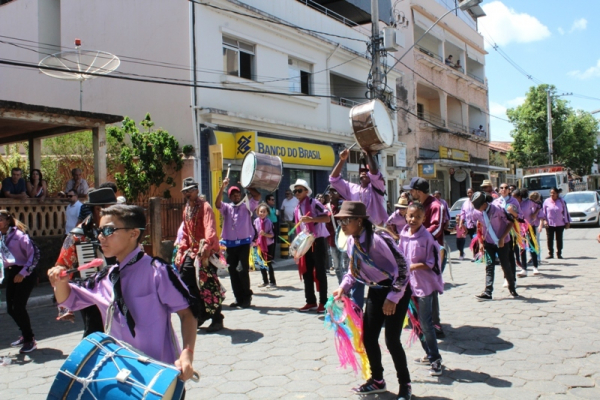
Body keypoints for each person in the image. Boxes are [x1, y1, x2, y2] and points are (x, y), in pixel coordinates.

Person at [48, 205, 197, 381]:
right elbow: (67, 300)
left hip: (160, 376)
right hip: (120, 376)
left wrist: (187, 354)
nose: (101, 237)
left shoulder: (158, 272)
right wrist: (59, 282)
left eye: (109, 230)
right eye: (100, 231)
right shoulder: (105, 277)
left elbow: (188, 314)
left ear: (133, 234)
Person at [332, 201, 412, 400]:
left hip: (397, 290)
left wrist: (393, 298)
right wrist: (343, 287)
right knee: (368, 337)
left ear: (359, 221)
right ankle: (377, 380)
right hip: (377, 290)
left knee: (392, 341)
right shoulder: (352, 240)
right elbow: (353, 270)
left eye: (346, 220)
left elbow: (403, 268)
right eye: (340, 220)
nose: (342, 224)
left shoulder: (378, 239)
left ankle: (405, 384)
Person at [54, 187, 117, 334]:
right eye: (110, 209)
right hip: (91, 293)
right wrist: (65, 305)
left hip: (117, 289)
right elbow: (62, 266)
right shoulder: (78, 235)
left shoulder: (119, 229)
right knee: (94, 331)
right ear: (97, 209)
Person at [330, 148, 387, 308]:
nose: (363, 173)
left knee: (379, 273)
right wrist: (342, 160)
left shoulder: (378, 187)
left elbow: (375, 172)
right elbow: (333, 179)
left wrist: (368, 153)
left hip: (377, 237)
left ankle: (384, 306)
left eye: (366, 170)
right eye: (361, 171)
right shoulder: (352, 189)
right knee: (356, 271)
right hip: (356, 236)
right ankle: (357, 310)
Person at [399, 203, 444, 376]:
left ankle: (435, 359)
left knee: (426, 323)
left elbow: (432, 263)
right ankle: (429, 352)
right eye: (410, 216)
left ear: (423, 219)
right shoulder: (403, 234)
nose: (413, 219)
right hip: (408, 286)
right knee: (415, 323)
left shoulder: (427, 238)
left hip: (425, 287)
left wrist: (412, 266)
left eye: (417, 217)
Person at [175, 177, 222, 333]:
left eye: (190, 191)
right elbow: (186, 234)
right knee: (185, 280)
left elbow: (210, 228)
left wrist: (207, 246)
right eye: (185, 192)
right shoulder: (187, 209)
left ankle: (217, 319)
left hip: (206, 252)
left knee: (208, 286)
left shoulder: (205, 207)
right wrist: (181, 251)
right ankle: (200, 314)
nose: (188, 194)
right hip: (192, 251)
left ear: (196, 190)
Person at [403, 177, 445, 338]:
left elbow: (438, 227)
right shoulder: (415, 206)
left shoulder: (436, 205)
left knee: (430, 287)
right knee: (416, 285)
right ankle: (419, 320)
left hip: (432, 253)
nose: (410, 193)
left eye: (412, 190)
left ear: (418, 191)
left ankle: (434, 324)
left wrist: (420, 237)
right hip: (415, 252)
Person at [215, 177, 261, 308]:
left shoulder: (247, 206)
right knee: (233, 272)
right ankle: (238, 298)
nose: (236, 196)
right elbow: (217, 203)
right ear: (230, 197)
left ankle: (247, 297)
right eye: (233, 195)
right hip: (230, 245)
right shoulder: (227, 208)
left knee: (242, 270)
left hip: (243, 244)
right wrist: (222, 187)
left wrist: (248, 187)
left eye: (238, 194)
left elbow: (257, 195)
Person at [2, 210, 38, 353]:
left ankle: (30, 340)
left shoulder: (20, 236)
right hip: (11, 273)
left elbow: (33, 256)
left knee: (19, 306)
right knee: (10, 308)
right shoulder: (1, 237)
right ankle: (25, 334)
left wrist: (23, 273)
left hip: (25, 273)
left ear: (7, 221)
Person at [291, 178, 330, 313]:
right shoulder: (297, 208)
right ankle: (310, 301)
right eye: (295, 190)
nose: (296, 193)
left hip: (317, 241)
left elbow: (327, 217)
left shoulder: (315, 203)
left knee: (320, 272)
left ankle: (323, 303)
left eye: (299, 190)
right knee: (306, 272)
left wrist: (312, 219)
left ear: (306, 191)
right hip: (304, 243)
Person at [471, 192, 518, 300]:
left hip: (502, 242)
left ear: (484, 203)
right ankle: (488, 292)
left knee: (505, 266)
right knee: (489, 265)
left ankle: (512, 287)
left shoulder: (498, 209)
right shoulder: (477, 212)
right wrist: (481, 242)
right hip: (488, 242)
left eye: (479, 207)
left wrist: (502, 238)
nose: (478, 209)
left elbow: (510, 222)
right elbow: (479, 225)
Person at [493, 183, 521, 288]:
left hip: (512, 231)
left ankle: (512, 279)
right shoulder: (495, 202)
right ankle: (506, 277)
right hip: (500, 232)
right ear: (499, 190)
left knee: (511, 255)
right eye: (501, 188)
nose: (504, 189)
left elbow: (520, 217)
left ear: (509, 190)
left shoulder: (513, 201)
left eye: (506, 188)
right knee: (503, 256)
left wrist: (513, 212)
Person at [516, 188, 542, 277]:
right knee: (522, 248)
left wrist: (535, 213)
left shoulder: (529, 202)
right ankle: (524, 269)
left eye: (515, 197)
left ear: (520, 197)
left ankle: (535, 267)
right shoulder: (514, 204)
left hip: (530, 226)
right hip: (519, 228)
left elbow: (540, 205)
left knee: (532, 245)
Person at [325, 187, 348, 283]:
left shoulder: (344, 204)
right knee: (337, 266)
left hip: (344, 239)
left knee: (344, 264)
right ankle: (341, 285)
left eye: (333, 192)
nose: (331, 194)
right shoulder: (326, 207)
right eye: (329, 192)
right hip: (332, 240)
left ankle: (346, 289)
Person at [541, 187, 571, 259]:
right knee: (549, 238)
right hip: (549, 223)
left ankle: (559, 253)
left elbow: (565, 212)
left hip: (560, 223)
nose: (552, 194)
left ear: (557, 194)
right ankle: (551, 253)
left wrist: (567, 222)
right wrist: (544, 221)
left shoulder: (561, 201)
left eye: (554, 193)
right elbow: (543, 212)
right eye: (551, 193)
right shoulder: (546, 201)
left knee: (559, 239)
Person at [254, 202, 276, 287]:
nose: (262, 213)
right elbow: (254, 233)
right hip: (259, 245)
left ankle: (272, 281)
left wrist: (265, 234)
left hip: (268, 244)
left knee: (268, 263)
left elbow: (272, 235)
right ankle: (265, 281)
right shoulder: (255, 221)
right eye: (261, 211)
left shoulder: (269, 222)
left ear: (267, 213)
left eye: (264, 211)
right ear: (258, 212)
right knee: (261, 263)